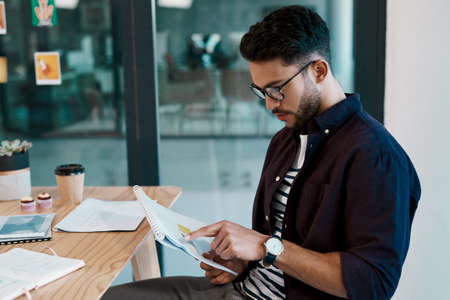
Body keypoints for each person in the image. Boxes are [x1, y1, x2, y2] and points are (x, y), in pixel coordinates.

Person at [102, 5, 420, 300]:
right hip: (244, 289)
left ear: (319, 71)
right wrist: (241, 262)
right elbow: (276, 246)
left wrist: (264, 246)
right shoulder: (285, 141)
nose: (270, 103)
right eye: (261, 92)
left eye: (277, 89)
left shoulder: (375, 154)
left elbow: (375, 282)